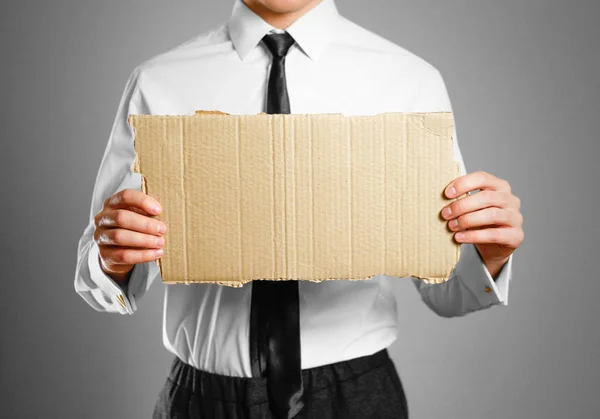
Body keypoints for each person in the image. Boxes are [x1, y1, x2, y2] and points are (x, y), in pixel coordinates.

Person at [74, 0, 524, 418]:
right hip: (204, 398)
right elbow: (102, 278)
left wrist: (488, 256)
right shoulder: (159, 81)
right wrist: (111, 259)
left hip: (354, 393)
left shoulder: (408, 80)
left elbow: (446, 292)